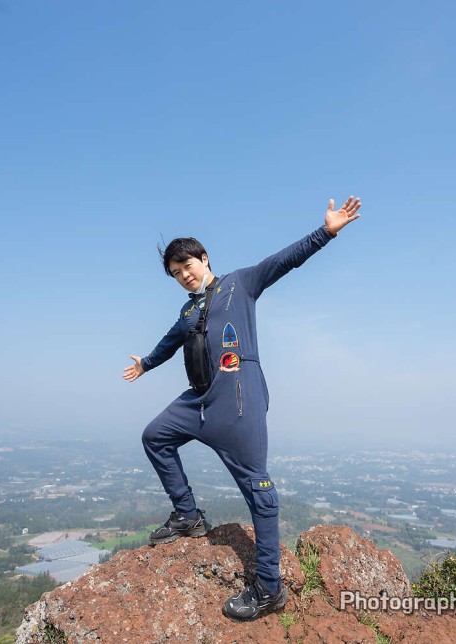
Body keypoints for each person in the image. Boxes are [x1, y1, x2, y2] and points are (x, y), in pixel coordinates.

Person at [123, 196, 362, 620]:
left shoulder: (240, 284)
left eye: (187, 267)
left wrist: (325, 232)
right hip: (197, 398)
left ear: (204, 258)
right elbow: (169, 341)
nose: (184, 276)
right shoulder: (187, 309)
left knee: (258, 490)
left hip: (236, 398)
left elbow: (283, 260)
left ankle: (269, 588)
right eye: (176, 274)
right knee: (154, 436)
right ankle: (187, 514)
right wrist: (145, 363)